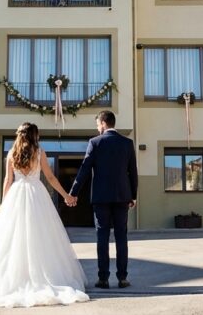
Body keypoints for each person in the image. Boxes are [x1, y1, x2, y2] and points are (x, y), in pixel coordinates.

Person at [0, 123, 89, 308]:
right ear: (34, 135)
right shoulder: (39, 152)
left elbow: (8, 180)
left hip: (16, 194)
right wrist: (67, 196)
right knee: (40, 235)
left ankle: (12, 277)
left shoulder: (11, 153)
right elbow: (51, 178)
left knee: (12, 238)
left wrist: (4, 205)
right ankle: (40, 275)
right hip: (36, 195)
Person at [69, 110, 138, 289]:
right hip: (122, 196)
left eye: (97, 124)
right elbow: (133, 172)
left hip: (101, 198)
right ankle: (123, 278)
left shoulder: (95, 142)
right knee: (121, 237)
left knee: (102, 237)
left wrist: (73, 192)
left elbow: (84, 169)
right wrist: (133, 196)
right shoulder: (127, 143)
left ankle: (103, 279)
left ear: (103, 123)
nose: (97, 128)